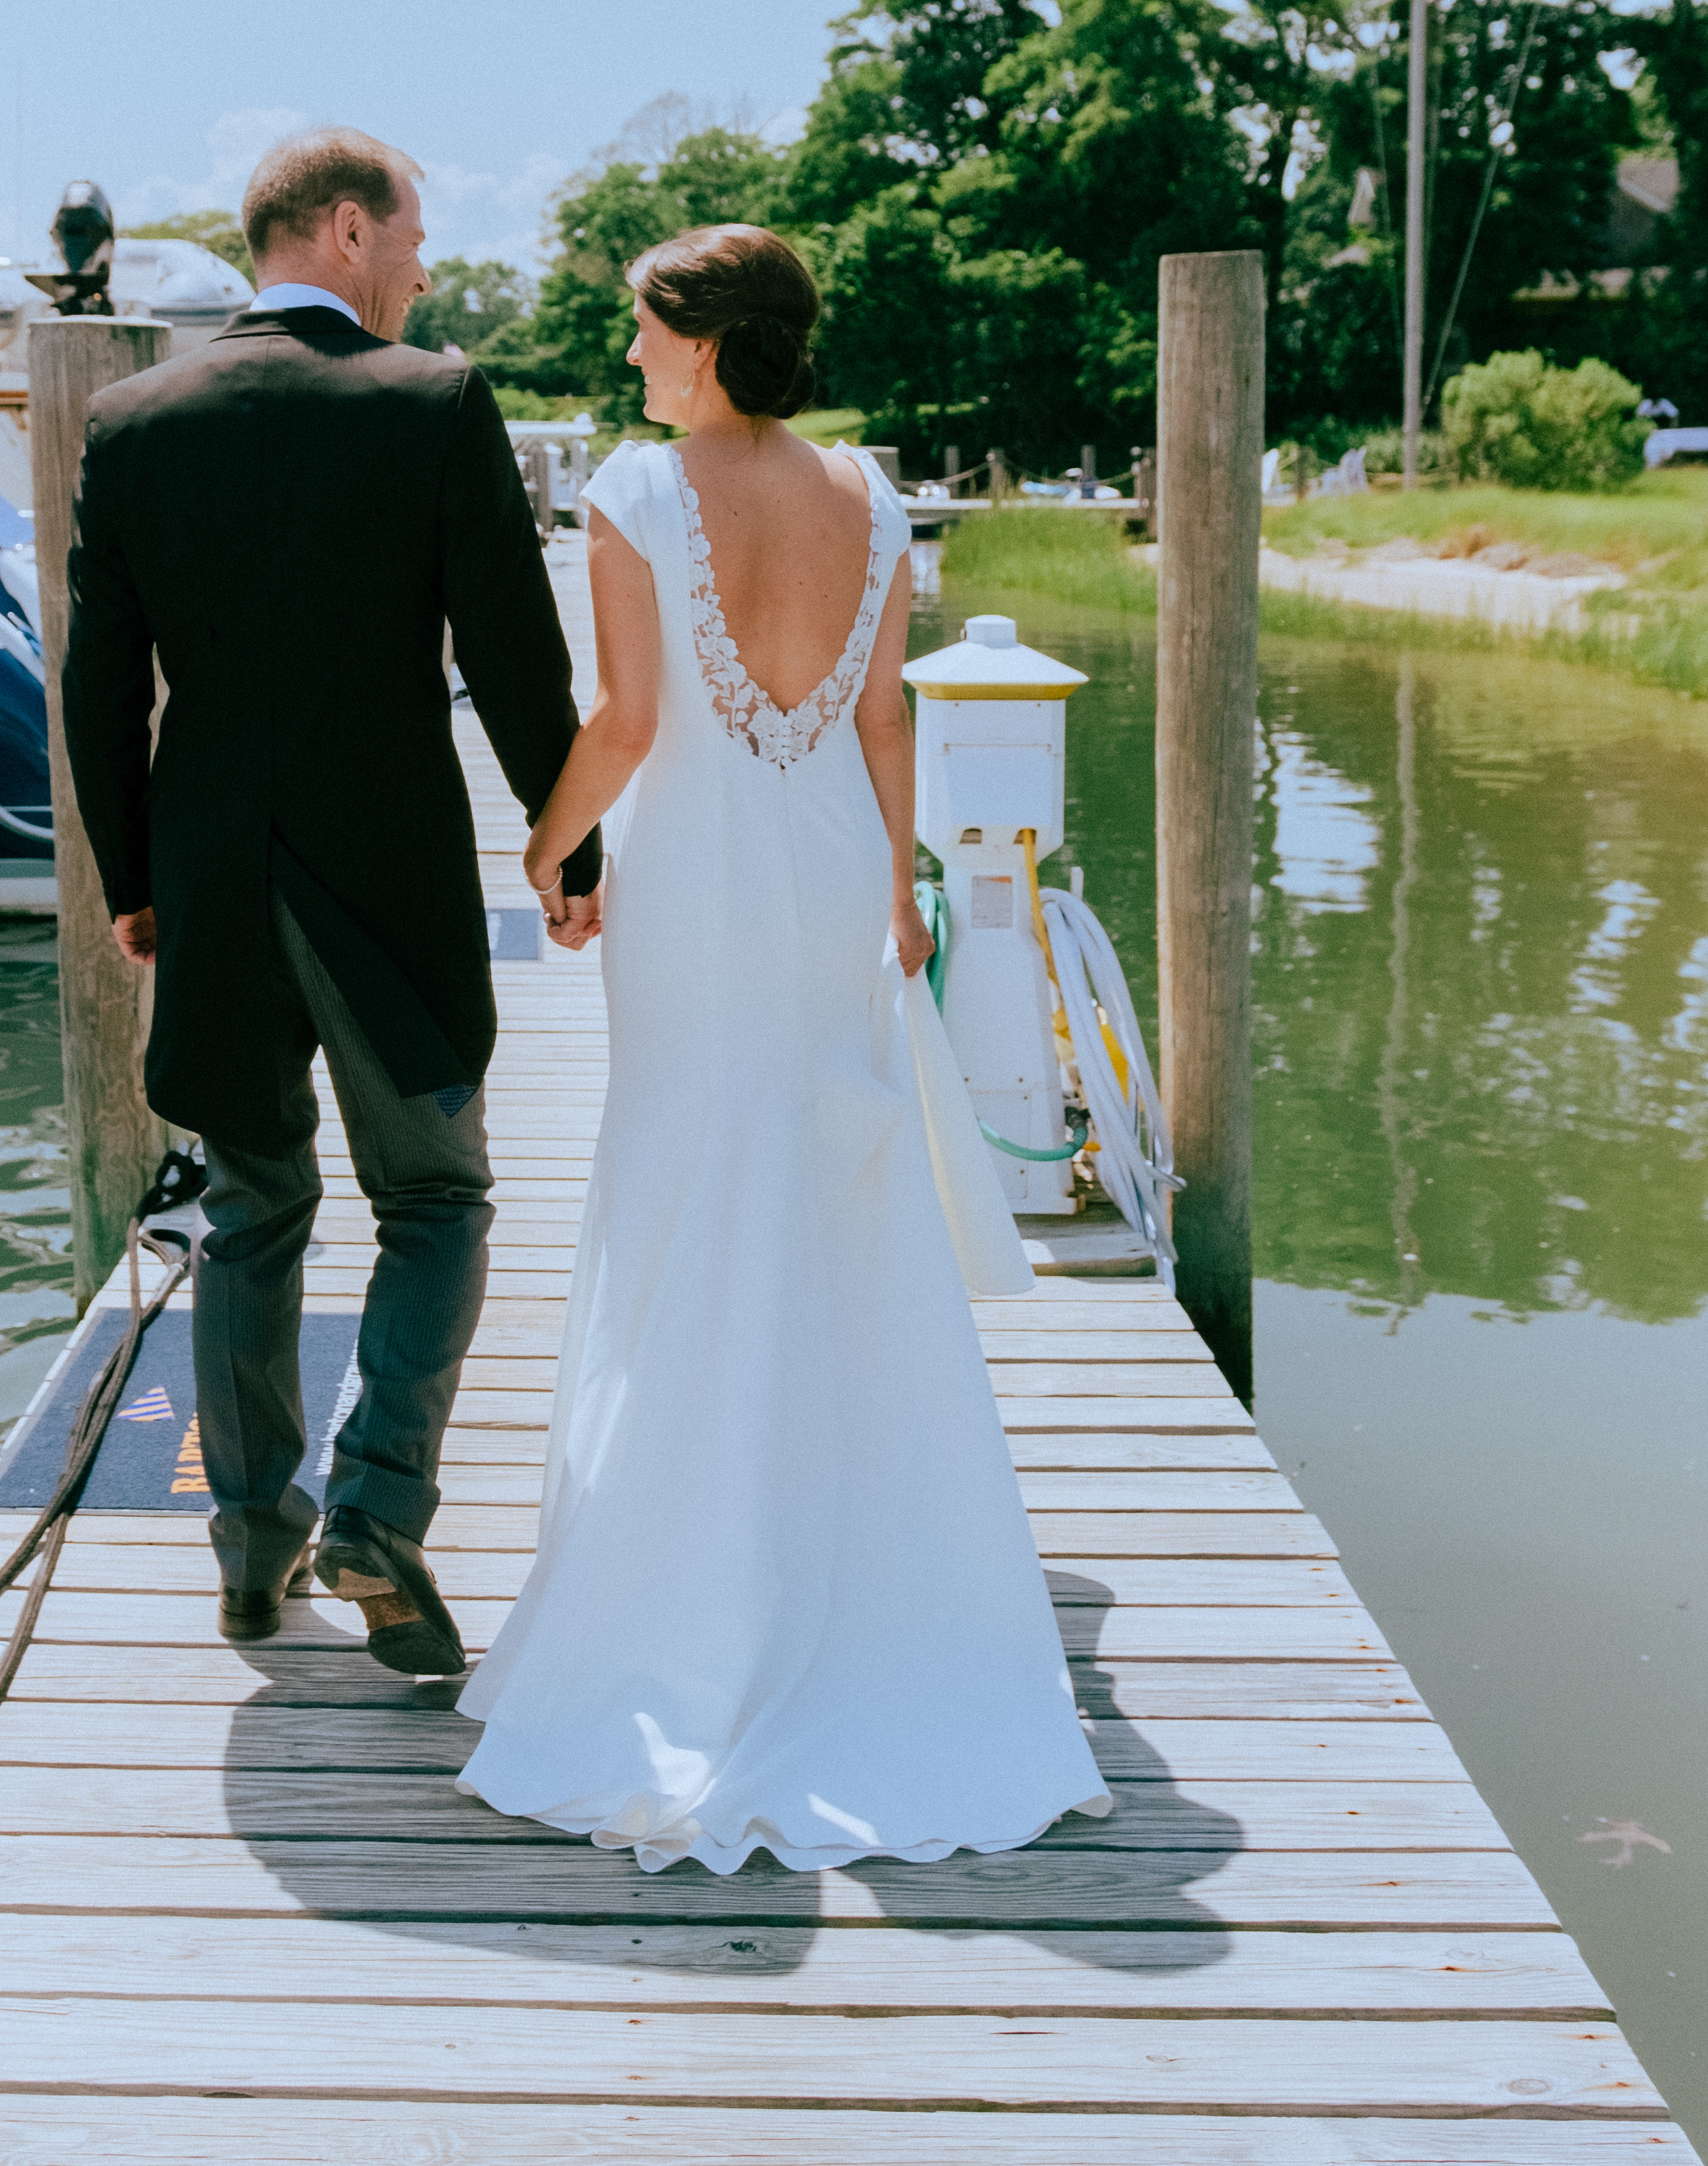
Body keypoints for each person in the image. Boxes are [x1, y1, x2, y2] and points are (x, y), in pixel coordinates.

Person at [456, 221, 1111, 1870]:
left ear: (711, 342)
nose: (627, 360)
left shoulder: (637, 488)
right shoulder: (873, 499)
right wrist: (894, 896)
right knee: (826, 1177)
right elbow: (889, 717)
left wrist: (545, 853)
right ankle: (855, 1562)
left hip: (695, 891)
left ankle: (685, 1582)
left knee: (688, 1174)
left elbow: (627, 726)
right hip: (824, 886)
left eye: (644, 333)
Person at [62, 127, 600, 1675]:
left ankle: (247, 1554)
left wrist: (137, 881)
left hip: (217, 877)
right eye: (415, 235)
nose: (423, 268)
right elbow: (515, 659)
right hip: (389, 879)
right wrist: (569, 852)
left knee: (251, 1211)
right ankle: (373, 1509)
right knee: (435, 1198)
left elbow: (102, 682)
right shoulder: (432, 400)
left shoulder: (133, 419)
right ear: (349, 231)